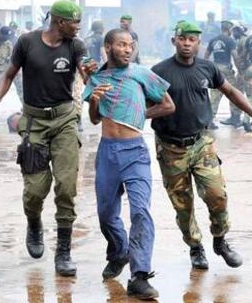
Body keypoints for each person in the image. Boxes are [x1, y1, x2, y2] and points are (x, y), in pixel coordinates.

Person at [0, 0, 96, 277]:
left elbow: (85, 69)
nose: (78, 27)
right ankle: (34, 223)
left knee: (67, 187)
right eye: (74, 22)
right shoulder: (27, 42)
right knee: (34, 191)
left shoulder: (75, 45)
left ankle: (64, 252)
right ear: (59, 22)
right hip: (33, 122)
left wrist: (89, 73)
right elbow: (8, 76)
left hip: (65, 120)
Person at [151, 21, 252, 271]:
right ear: (174, 41)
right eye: (182, 38)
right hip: (171, 148)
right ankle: (195, 247)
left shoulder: (208, 68)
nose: (186, 43)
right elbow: (141, 101)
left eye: (192, 40)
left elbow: (230, 91)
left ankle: (220, 240)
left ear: (198, 43)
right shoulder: (159, 71)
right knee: (183, 204)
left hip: (201, 143)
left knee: (217, 195)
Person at [82, 28, 175, 300]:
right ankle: (119, 250)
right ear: (107, 47)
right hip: (108, 152)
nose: (126, 49)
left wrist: (139, 113)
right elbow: (94, 119)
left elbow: (168, 105)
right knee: (106, 214)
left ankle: (140, 275)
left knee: (140, 211)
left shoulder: (141, 73)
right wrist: (95, 101)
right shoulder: (97, 77)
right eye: (121, 45)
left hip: (135, 152)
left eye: (130, 45)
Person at [204, 20, 237, 129]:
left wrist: (206, 69)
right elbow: (234, 56)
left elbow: (206, 55)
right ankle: (235, 117)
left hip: (215, 69)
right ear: (229, 29)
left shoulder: (213, 40)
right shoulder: (230, 40)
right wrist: (240, 68)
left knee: (214, 96)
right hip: (226, 69)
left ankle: (209, 120)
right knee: (233, 92)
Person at [219, 22, 247, 127]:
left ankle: (236, 118)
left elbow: (240, 57)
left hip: (243, 72)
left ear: (240, 31)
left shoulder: (242, 41)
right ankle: (238, 117)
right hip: (244, 71)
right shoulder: (242, 40)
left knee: (237, 93)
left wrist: (240, 71)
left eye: (235, 30)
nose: (233, 32)